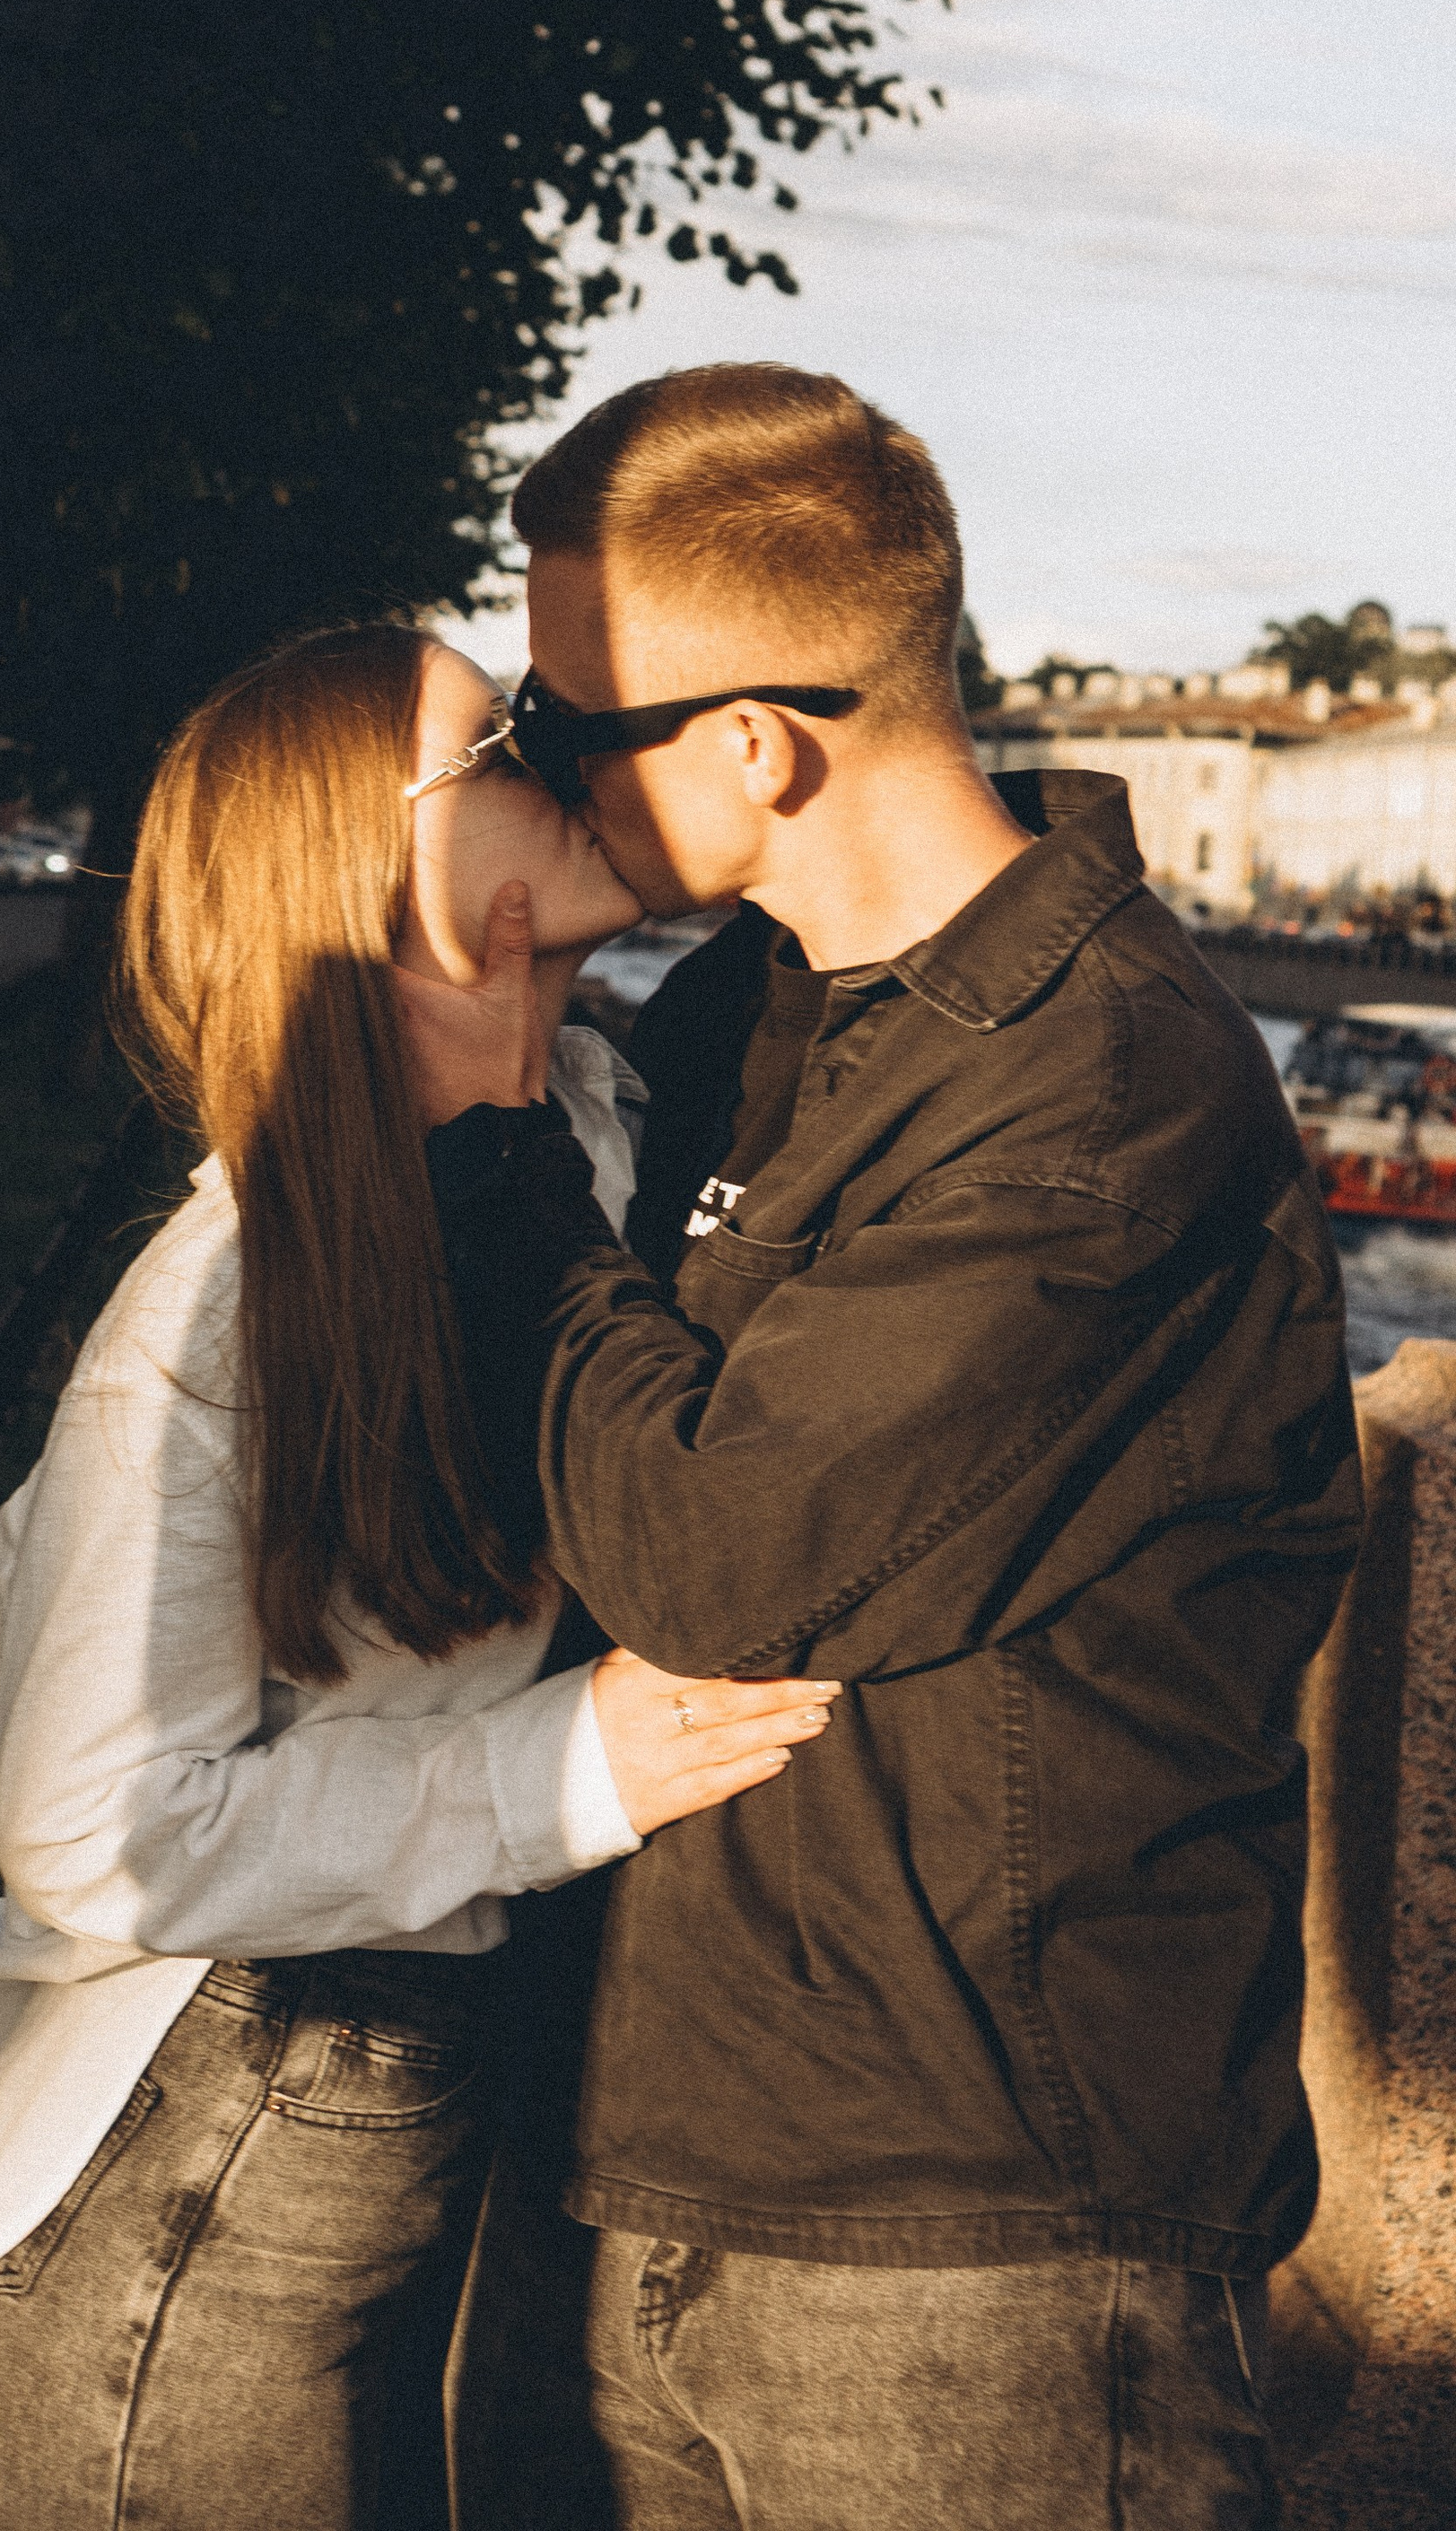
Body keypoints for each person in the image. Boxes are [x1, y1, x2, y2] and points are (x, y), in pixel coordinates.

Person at [397, 364, 1363, 2531]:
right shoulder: (734, 1012)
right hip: (628, 2158)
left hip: (975, 2247)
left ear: (753, 743)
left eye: (562, 727)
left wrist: (486, 1147)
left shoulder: (1105, 1089)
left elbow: (721, 1552)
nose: (532, 781)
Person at [0, 620, 839, 2531]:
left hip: (369, 2092)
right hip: (193, 2123)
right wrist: (559, 1767)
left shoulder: (579, 1124)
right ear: (368, 877)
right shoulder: (229, 1289)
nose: (559, 749)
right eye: (497, 745)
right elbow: (89, 1831)